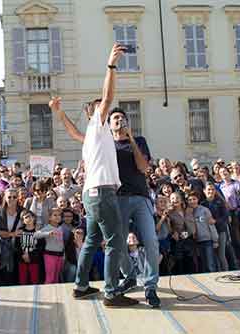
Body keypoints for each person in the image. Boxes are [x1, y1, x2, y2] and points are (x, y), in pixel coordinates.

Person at [49, 44, 138, 307]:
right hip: (102, 192)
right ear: (95, 112)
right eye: (101, 108)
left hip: (92, 194)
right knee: (114, 242)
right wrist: (111, 66)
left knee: (92, 241)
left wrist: (58, 111)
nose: (107, 110)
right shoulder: (98, 125)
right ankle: (111, 293)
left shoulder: (91, 136)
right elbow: (107, 97)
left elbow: (72, 132)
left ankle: (81, 287)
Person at [107, 107, 161, 307]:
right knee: (118, 243)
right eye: (115, 118)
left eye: (122, 117)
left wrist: (130, 139)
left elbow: (143, 168)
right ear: (109, 124)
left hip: (141, 198)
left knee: (150, 241)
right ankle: (129, 275)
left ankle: (150, 286)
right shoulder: (107, 144)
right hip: (117, 199)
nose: (119, 120)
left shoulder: (139, 141)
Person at [0, 188, 23, 285]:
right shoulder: (0, 212)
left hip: (19, 246)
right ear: (5, 198)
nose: (12, 199)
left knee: (18, 271)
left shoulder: (22, 211)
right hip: (4, 246)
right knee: (6, 271)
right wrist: (12, 234)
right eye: (9, 197)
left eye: (14, 197)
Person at [34, 208, 65, 284]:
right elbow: (35, 235)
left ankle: (55, 295)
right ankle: (47, 295)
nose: (58, 217)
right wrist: (47, 233)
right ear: (50, 218)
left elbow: (62, 243)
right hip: (50, 255)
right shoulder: (47, 227)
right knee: (50, 278)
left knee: (56, 278)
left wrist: (64, 255)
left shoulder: (61, 228)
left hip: (60, 255)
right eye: (55, 215)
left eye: (59, 215)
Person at [16, 210, 43, 285]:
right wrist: (23, 255)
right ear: (23, 221)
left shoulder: (38, 231)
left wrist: (30, 255)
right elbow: (17, 245)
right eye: (26, 217)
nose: (29, 218)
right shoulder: (20, 231)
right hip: (22, 259)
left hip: (35, 259)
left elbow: (40, 246)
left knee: (34, 280)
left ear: (34, 218)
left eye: (30, 216)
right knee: (22, 280)